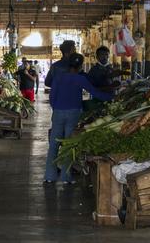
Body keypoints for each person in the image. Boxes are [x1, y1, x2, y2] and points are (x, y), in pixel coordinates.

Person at [45, 53, 113, 184]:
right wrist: (110, 97)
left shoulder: (58, 78)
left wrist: (56, 108)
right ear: (80, 66)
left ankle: (49, 176)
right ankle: (66, 177)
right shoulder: (80, 79)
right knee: (69, 144)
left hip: (58, 112)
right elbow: (95, 92)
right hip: (74, 113)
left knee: (54, 144)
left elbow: (52, 97)